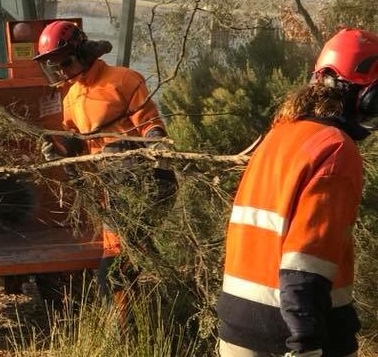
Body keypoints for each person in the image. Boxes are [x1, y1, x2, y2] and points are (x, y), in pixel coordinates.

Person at [216, 27, 378, 357]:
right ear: (365, 95)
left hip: (239, 331)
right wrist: (305, 345)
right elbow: (306, 263)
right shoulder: (336, 150)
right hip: (288, 335)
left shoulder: (280, 134)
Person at [32, 19, 177, 302]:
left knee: (114, 271)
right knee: (125, 262)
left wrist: (155, 146)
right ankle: (166, 311)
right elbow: (77, 142)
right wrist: (58, 153)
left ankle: (140, 328)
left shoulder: (123, 79)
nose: (62, 71)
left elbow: (150, 124)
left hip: (143, 182)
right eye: (54, 66)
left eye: (66, 62)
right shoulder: (71, 96)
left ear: (83, 52)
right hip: (111, 189)